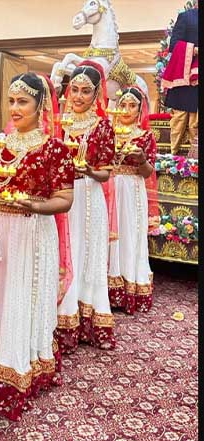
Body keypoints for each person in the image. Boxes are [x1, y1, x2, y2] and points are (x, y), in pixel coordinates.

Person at [0, 72, 74, 421]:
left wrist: (35, 206)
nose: (15, 108)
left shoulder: (53, 148)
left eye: (22, 101)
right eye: (11, 101)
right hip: (0, 227)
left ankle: (21, 361)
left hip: (32, 228)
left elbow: (64, 199)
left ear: (41, 105)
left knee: (24, 293)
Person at [55, 61, 116, 354]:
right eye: (74, 90)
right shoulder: (58, 123)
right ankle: (63, 321)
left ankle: (88, 319)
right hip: (62, 197)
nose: (77, 97)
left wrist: (88, 169)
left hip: (88, 197)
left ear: (96, 95)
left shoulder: (102, 126)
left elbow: (106, 173)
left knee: (86, 255)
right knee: (64, 255)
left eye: (85, 92)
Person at [108, 87, 158, 314]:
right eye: (123, 105)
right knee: (110, 237)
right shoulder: (109, 132)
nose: (126, 110)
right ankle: (108, 288)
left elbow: (148, 173)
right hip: (110, 188)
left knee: (129, 235)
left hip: (132, 189)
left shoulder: (145, 136)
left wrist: (142, 160)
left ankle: (130, 285)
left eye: (132, 106)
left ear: (140, 110)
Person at [163, 4, 198, 154]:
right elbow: (174, 44)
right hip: (184, 79)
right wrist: (194, 50)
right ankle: (172, 159)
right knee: (180, 120)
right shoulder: (187, 16)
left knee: (196, 123)